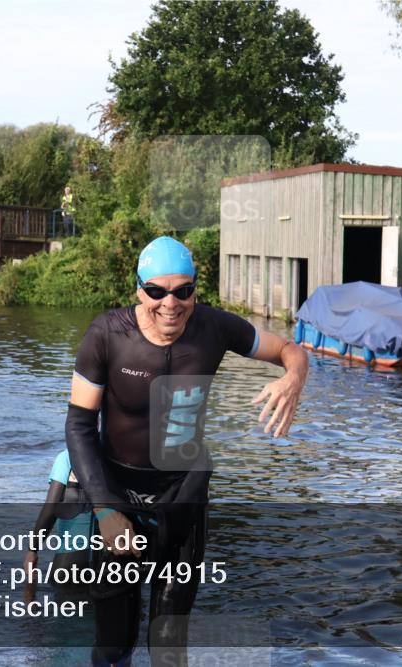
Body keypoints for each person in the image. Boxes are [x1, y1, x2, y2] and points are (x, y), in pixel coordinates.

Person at [66, 236, 308, 666]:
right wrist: (104, 510)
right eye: (157, 292)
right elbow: (80, 425)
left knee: (168, 646)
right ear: (139, 289)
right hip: (119, 495)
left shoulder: (214, 328)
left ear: (196, 288)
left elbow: (290, 350)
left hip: (184, 497)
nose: (170, 304)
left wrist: (293, 379)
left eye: (183, 291)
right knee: (113, 642)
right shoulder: (107, 334)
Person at [24, 450, 94, 603]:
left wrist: (33, 549)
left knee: (63, 616)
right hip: (113, 552)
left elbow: (51, 506)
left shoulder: (67, 456)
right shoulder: (117, 453)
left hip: (74, 555)